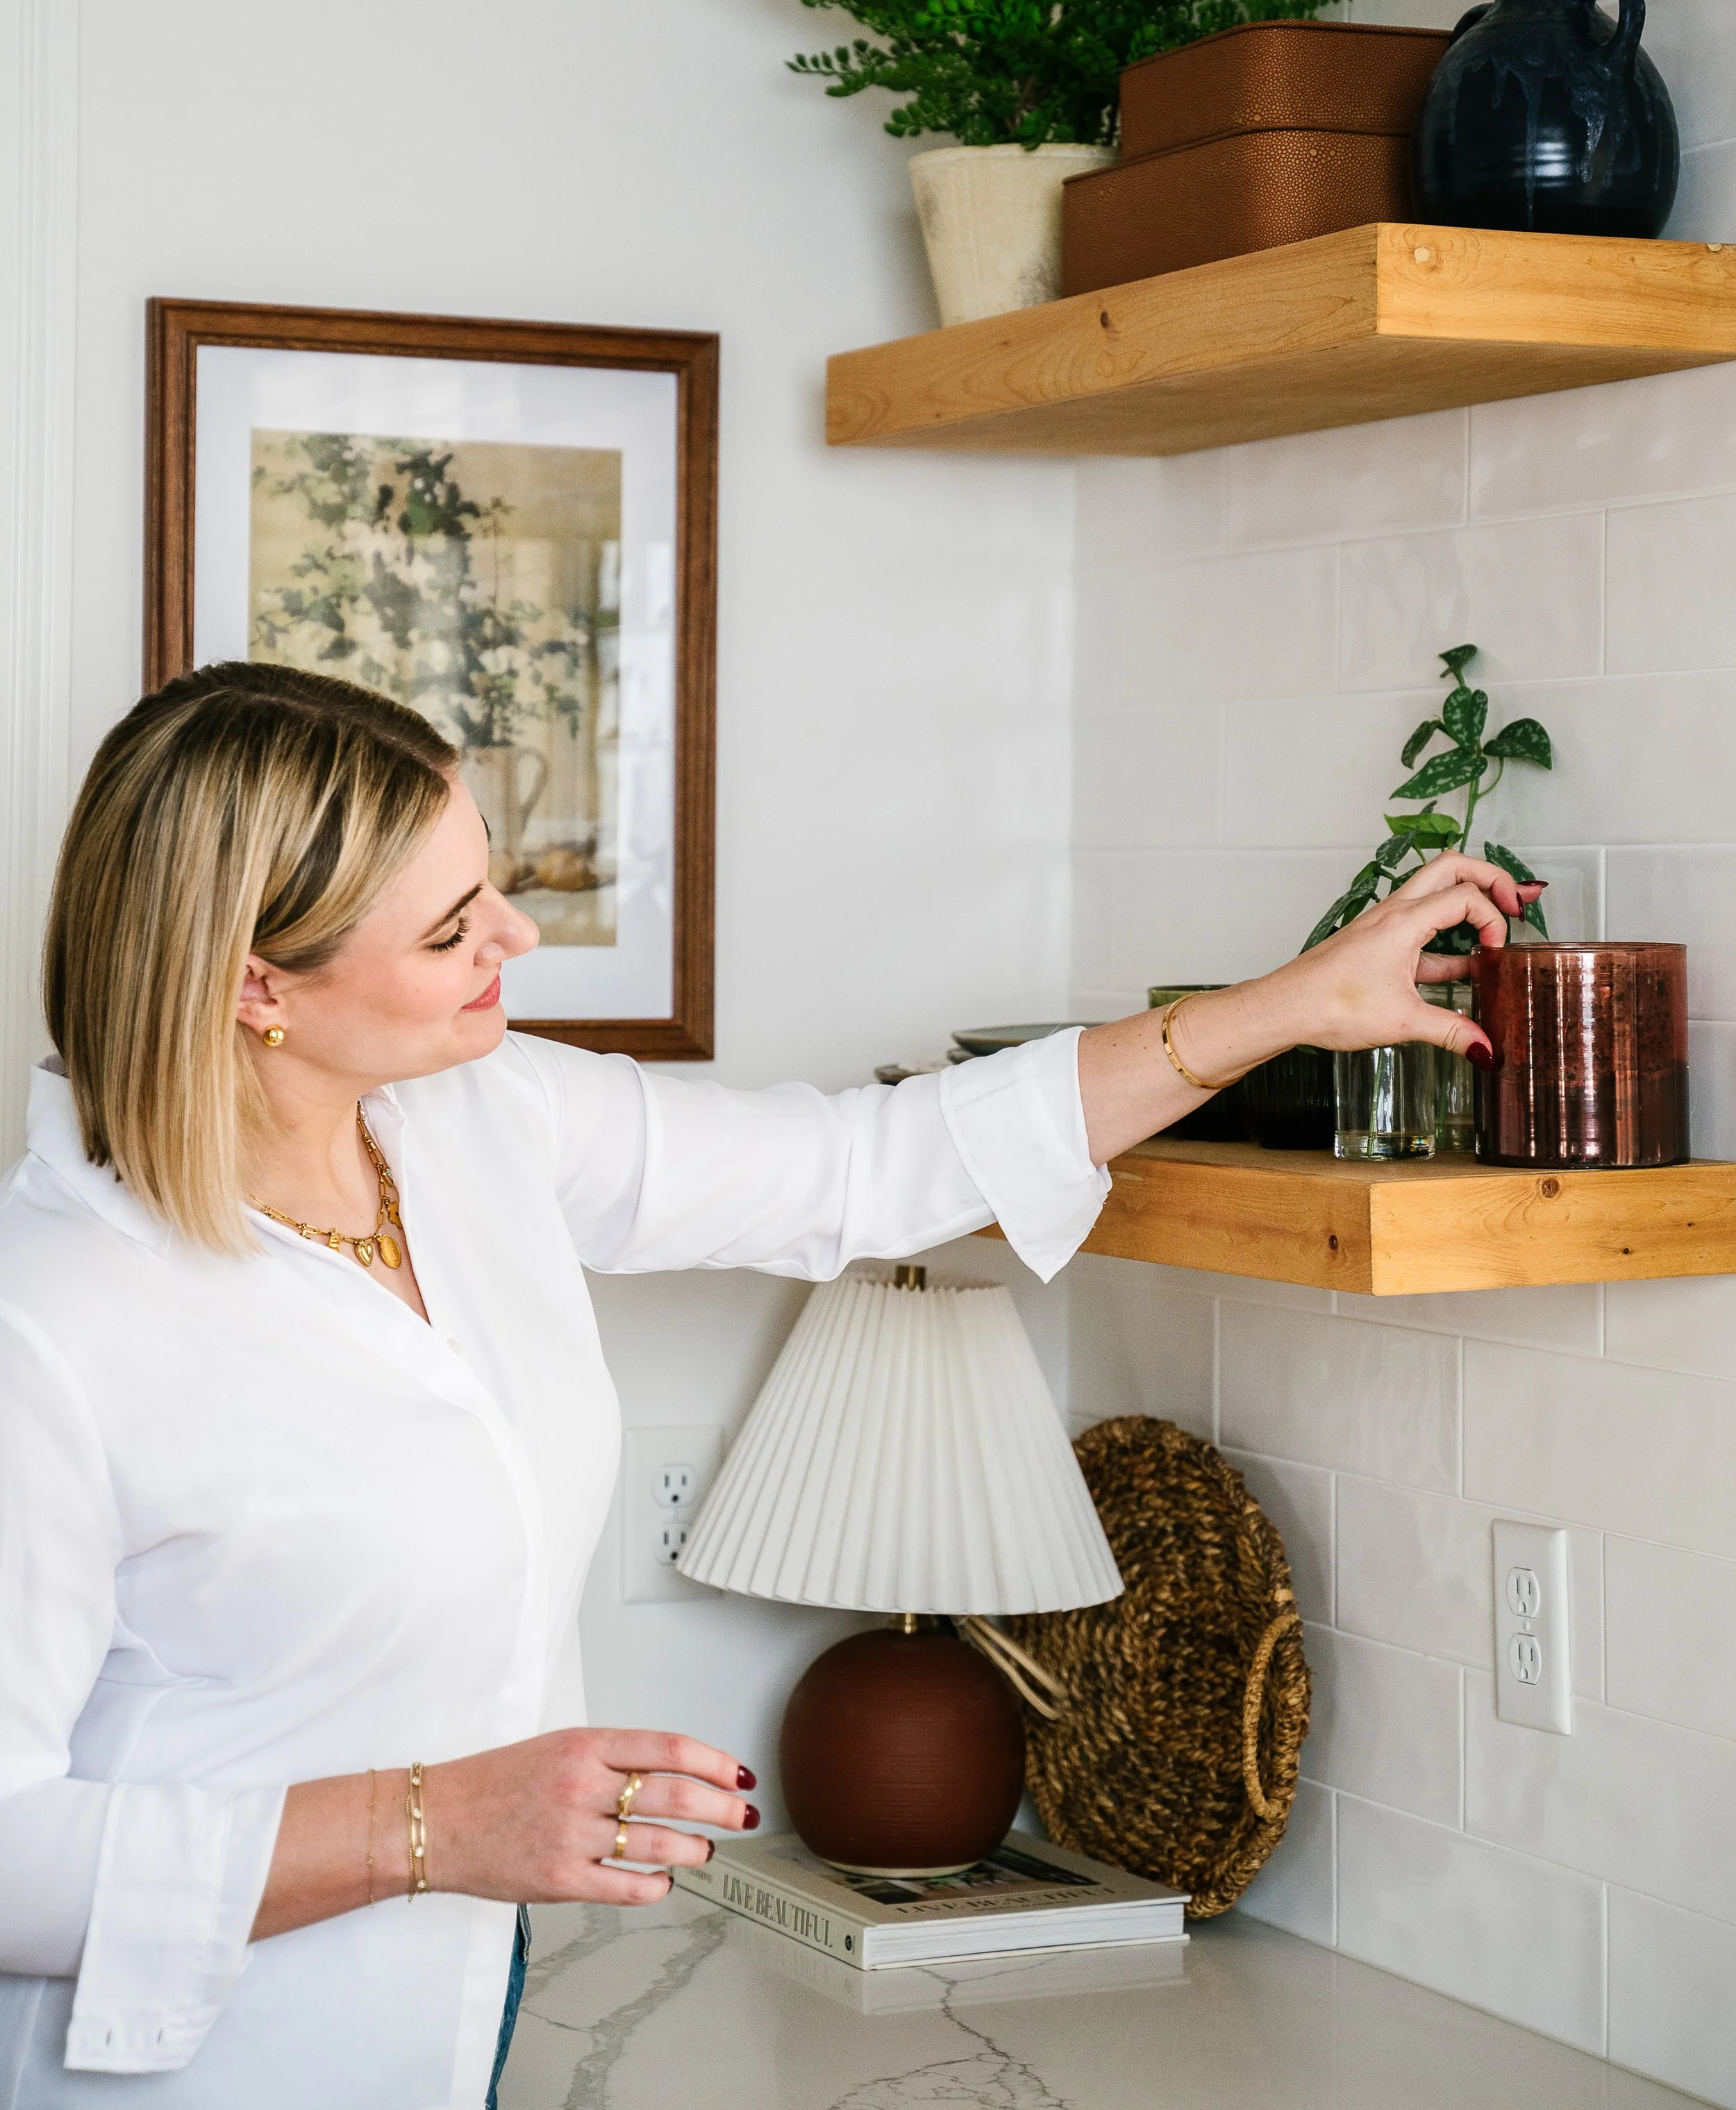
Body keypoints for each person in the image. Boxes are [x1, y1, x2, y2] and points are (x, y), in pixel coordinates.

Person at [0, 663, 1535, 2107]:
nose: (517, 943)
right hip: (198, 2058)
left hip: (456, 2007)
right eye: (452, 927)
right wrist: (434, 1825)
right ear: (262, 985)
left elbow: (868, 1170)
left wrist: (1283, 1008)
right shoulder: (55, 1321)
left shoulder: (475, 1122)